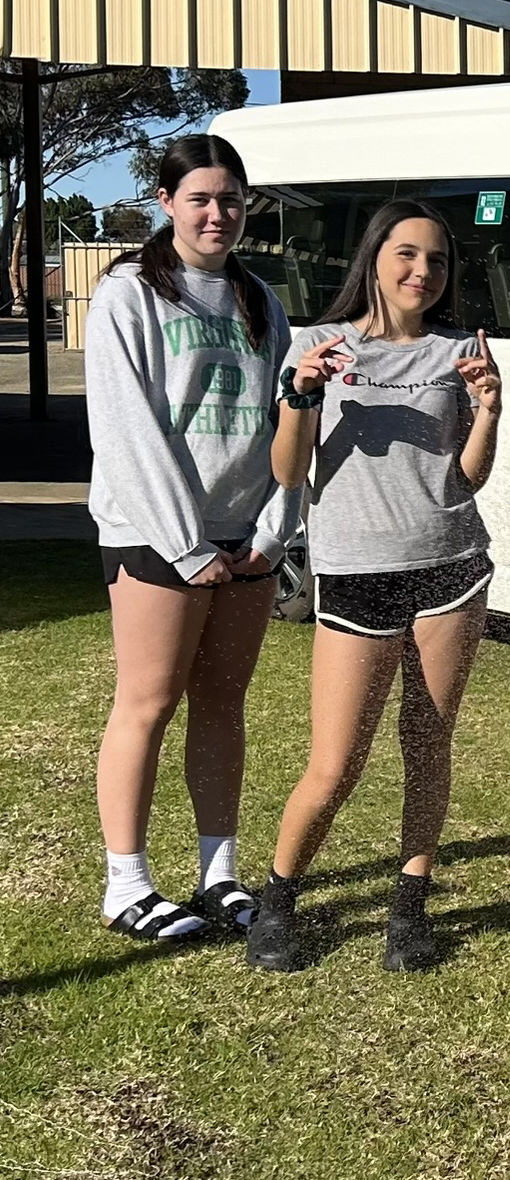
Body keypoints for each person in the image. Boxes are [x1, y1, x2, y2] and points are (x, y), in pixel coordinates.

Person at [245, 200, 503, 973]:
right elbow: (289, 474)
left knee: (427, 747)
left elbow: (468, 477)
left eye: (438, 260)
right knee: (336, 762)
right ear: (375, 257)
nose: (423, 271)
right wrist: (301, 394)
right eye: (407, 254)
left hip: (450, 567)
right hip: (358, 575)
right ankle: (278, 899)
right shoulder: (319, 346)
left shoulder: (463, 352)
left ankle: (408, 905)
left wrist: (490, 408)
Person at [86, 134, 297, 942]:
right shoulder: (129, 294)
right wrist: (186, 544)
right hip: (156, 537)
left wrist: (273, 533)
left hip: (244, 541)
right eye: (201, 198)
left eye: (232, 199)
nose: (218, 213)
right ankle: (126, 884)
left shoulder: (259, 300)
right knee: (147, 703)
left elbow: (288, 424)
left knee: (222, 706)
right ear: (166, 202)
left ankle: (218, 874)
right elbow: (127, 430)